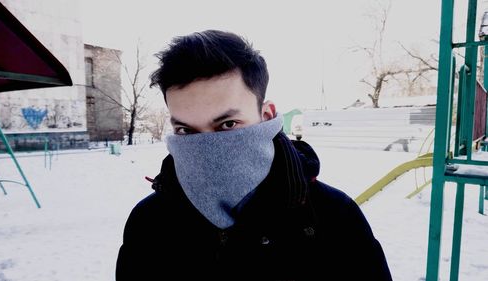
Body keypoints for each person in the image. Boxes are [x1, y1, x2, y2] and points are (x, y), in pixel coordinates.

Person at [116, 30, 392, 280]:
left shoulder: (333, 218)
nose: (206, 148)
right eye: (186, 131)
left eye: (227, 125)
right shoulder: (150, 224)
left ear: (267, 115)